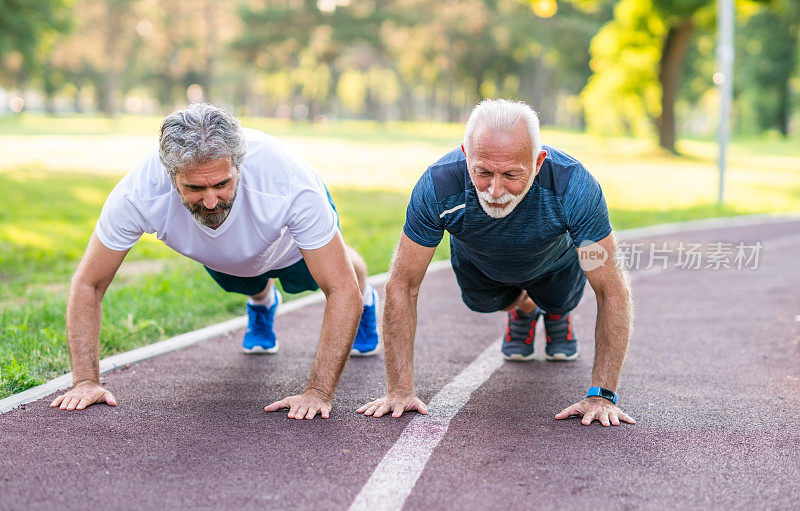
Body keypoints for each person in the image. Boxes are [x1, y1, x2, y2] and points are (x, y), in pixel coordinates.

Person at [51, 103, 379, 420]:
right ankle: (263, 303)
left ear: (239, 165)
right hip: (227, 257)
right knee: (239, 274)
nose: (210, 201)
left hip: (290, 244)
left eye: (222, 184)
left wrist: (318, 393)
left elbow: (339, 289)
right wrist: (85, 381)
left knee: (345, 271)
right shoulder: (138, 192)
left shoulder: (290, 183)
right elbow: (89, 283)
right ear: (169, 173)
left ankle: (367, 303)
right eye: (194, 187)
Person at [357, 99, 635, 427]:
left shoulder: (574, 187)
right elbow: (402, 283)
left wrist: (603, 395)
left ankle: (555, 312)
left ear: (538, 162)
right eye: (483, 172)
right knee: (480, 302)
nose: (495, 189)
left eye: (511, 175)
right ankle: (526, 307)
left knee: (560, 300)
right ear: (465, 156)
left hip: (555, 264)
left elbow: (611, 289)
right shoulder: (437, 186)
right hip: (480, 264)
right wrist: (398, 390)